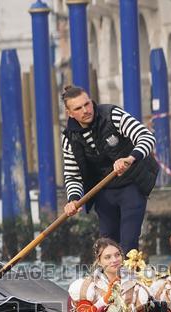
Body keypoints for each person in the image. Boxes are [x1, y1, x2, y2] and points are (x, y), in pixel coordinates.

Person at [60, 85, 159, 254]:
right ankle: (110, 279)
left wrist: (130, 158)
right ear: (70, 113)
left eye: (87, 104)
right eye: (78, 108)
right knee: (107, 246)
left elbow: (146, 137)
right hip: (103, 190)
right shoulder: (69, 137)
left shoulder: (112, 115)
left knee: (128, 244)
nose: (85, 110)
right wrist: (73, 199)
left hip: (132, 183)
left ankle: (130, 275)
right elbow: (73, 175)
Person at [67, 237, 150, 312]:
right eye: (108, 257)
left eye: (117, 255)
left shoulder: (135, 286)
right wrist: (105, 299)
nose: (114, 260)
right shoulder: (86, 287)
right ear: (99, 261)